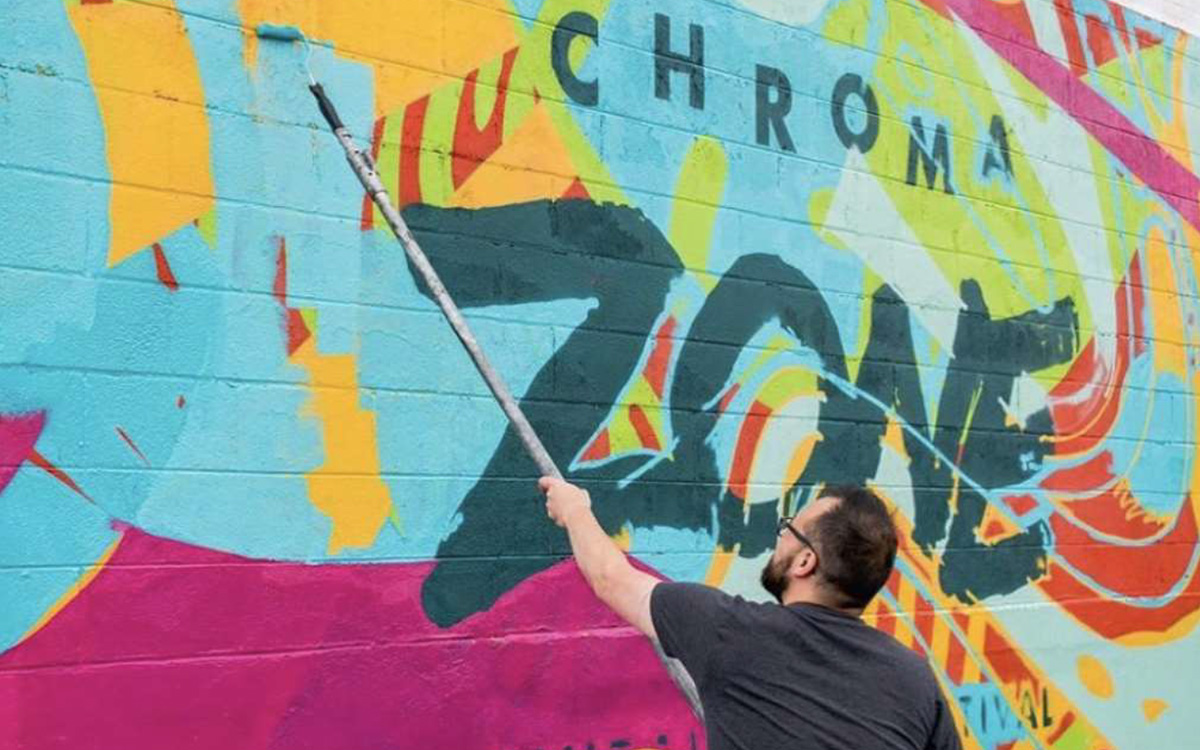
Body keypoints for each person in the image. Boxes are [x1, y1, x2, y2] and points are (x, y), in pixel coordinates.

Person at [538, 477, 963, 750]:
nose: (780, 539)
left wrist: (574, 509)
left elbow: (610, 577)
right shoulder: (914, 679)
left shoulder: (731, 631)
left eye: (789, 530)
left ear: (804, 563)